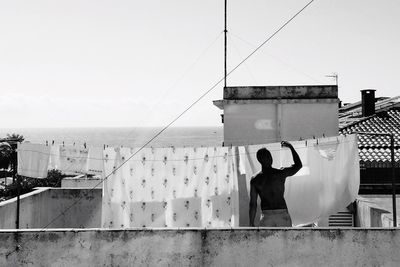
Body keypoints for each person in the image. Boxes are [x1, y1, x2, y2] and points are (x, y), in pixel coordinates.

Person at [249, 141, 302, 227]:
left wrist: (251, 223)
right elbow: (298, 165)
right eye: (268, 156)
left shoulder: (255, 179)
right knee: (286, 240)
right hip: (282, 215)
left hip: (266, 217)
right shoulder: (280, 173)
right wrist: (291, 147)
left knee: (267, 241)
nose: (270, 158)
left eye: (269, 156)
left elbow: (253, 204)